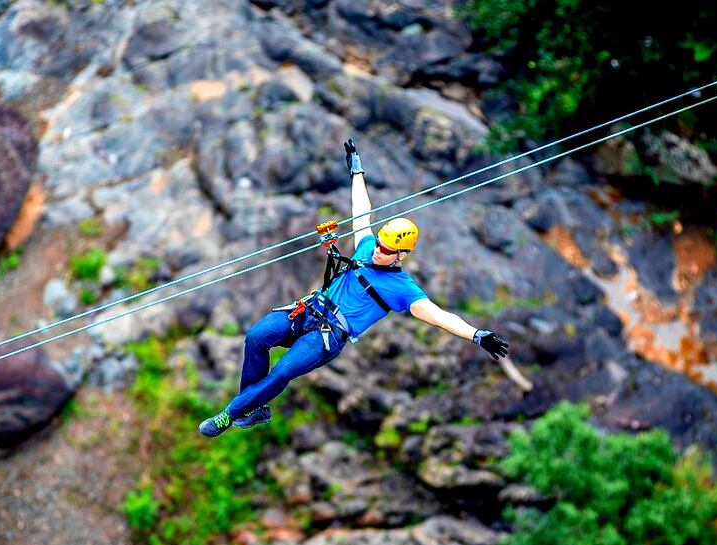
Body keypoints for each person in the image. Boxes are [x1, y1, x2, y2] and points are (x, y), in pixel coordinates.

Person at [198, 140, 510, 438]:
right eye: (381, 244)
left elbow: (440, 317)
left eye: (387, 250)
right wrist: (357, 171)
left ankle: (230, 414)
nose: (378, 251)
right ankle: (255, 407)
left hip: (327, 336)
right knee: (256, 337)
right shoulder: (367, 245)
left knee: (281, 373)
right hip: (309, 310)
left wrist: (476, 334)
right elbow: (362, 211)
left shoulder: (402, 289)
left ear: (402, 255)